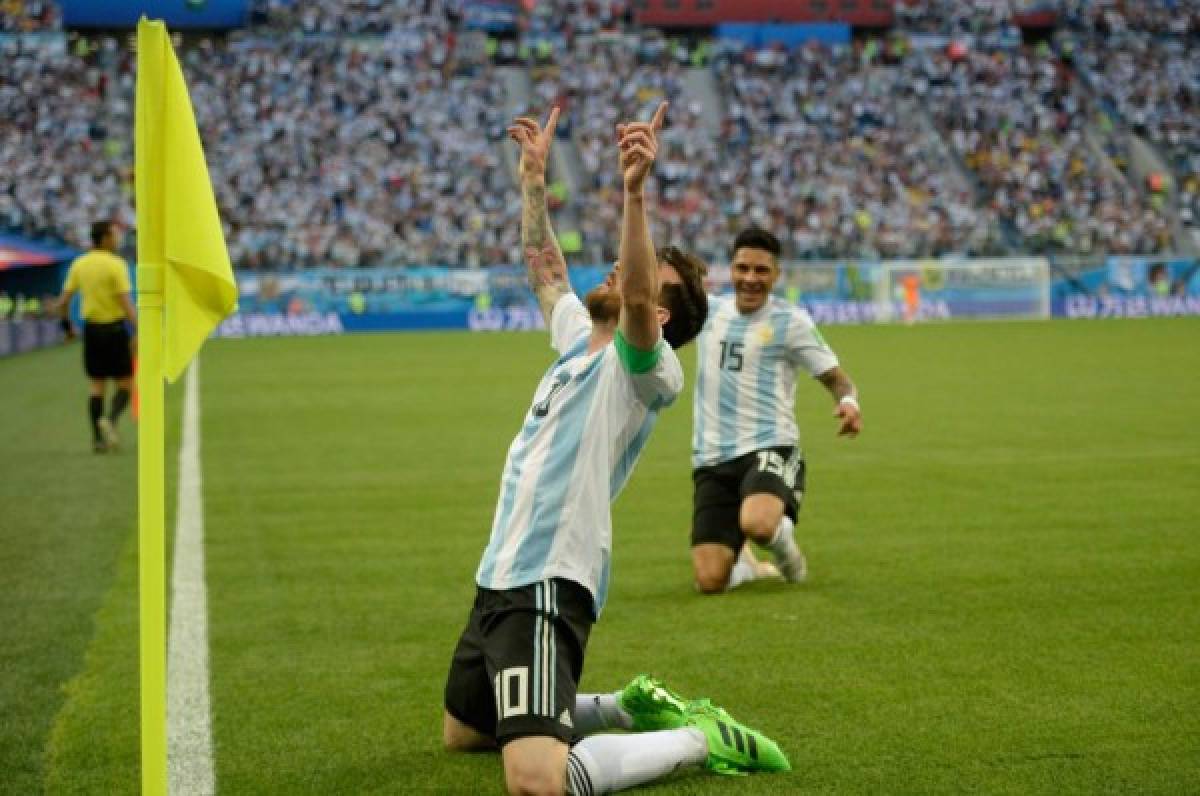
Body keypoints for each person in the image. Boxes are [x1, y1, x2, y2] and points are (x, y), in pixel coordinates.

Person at [441, 105, 790, 796]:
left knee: (537, 782)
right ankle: (621, 707)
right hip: (500, 573)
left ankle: (698, 739)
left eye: (640, 277)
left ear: (658, 317)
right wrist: (534, 182)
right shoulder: (578, 338)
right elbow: (545, 270)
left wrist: (634, 193)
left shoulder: (647, 371)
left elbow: (633, 290)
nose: (614, 268)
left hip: (549, 575)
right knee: (466, 731)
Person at [690, 227, 862, 594]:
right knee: (709, 581)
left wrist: (848, 404)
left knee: (759, 524)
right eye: (743, 269)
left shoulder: (791, 322)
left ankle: (788, 558)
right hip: (712, 457)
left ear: (776, 275)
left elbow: (839, 380)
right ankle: (747, 567)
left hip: (770, 446)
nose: (751, 279)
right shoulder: (708, 312)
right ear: (731, 270)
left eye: (761, 271)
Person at [56, 220, 137, 453]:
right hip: (114, 330)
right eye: (114, 235)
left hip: (92, 332)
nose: (117, 239)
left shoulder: (79, 265)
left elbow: (64, 301)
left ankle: (97, 440)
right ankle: (110, 421)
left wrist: (67, 327)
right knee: (125, 383)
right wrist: (139, 329)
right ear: (104, 238)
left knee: (96, 386)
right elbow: (125, 302)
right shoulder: (116, 265)